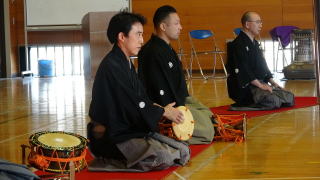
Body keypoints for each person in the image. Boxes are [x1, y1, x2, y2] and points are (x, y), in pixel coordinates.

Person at [87, 11, 190, 172]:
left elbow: (141, 99)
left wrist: (162, 110)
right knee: (163, 158)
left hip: (128, 130)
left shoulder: (125, 63)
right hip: (113, 137)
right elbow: (132, 104)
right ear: (122, 37)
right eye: (138, 35)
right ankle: (107, 161)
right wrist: (162, 112)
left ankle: (129, 157)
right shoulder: (112, 66)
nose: (142, 40)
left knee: (183, 150)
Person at [138, 5, 215, 145]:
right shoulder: (152, 51)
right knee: (207, 129)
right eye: (176, 23)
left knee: (209, 114)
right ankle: (169, 135)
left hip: (181, 100)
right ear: (163, 26)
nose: (180, 27)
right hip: (168, 107)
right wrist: (176, 111)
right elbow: (158, 90)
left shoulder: (165, 48)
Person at [226, 11, 294, 110]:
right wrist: (260, 86)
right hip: (245, 88)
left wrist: (273, 83)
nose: (261, 25)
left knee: (289, 97)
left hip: (259, 84)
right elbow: (244, 69)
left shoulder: (255, 43)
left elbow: (263, 65)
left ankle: (262, 97)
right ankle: (242, 105)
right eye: (257, 22)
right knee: (273, 101)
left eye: (261, 22)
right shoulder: (238, 45)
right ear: (247, 24)